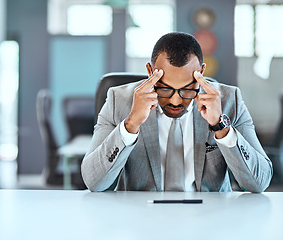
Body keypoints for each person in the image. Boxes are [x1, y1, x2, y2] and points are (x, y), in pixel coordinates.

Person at [81, 32, 272, 193]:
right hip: (140, 218)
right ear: (150, 71)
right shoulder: (119, 100)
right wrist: (130, 125)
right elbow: (94, 182)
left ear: (201, 72)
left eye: (187, 89)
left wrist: (221, 127)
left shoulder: (230, 100)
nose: (175, 100)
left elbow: (259, 183)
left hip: (211, 219)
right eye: (165, 88)